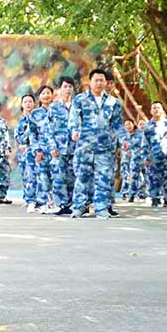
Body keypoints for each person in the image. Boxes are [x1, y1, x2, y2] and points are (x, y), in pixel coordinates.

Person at [69, 68, 129, 219]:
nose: (99, 83)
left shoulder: (113, 102)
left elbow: (117, 124)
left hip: (104, 148)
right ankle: (80, 207)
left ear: (106, 82)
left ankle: (101, 208)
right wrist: (74, 130)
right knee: (82, 178)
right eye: (96, 80)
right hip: (84, 147)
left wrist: (124, 139)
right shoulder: (80, 100)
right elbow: (74, 118)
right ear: (90, 82)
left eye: (102, 80)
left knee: (103, 178)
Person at [48, 76, 77, 215]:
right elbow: (49, 129)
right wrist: (52, 146)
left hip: (75, 148)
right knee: (59, 178)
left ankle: (72, 204)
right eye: (65, 86)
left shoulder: (78, 106)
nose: (67, 89)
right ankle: (61, 205)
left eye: (70, 87)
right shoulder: (54, 107)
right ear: (60, 89)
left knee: (73, 177)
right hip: (59, 148)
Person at [32, 85, 57, 213]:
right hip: (43, 150)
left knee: (57, 177)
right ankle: (43, 203)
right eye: (43, 93)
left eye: (48, 93)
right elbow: (32, 134)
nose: (46, 95)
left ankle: (56, 203)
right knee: (43, 177)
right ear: (39, 97)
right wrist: (37, 151)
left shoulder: (58, 110)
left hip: (57, 151)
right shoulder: (35, 113)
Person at [143, 101, 167, 207]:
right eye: (154, 108)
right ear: (151, 111)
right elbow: (144, 142)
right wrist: (145, 157)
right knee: (154, 177)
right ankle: (155, 197)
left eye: (158, 108)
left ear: (162, 110)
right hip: (154, 155)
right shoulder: (148, 126)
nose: (156, 110)